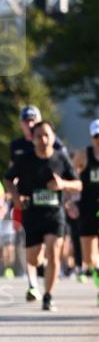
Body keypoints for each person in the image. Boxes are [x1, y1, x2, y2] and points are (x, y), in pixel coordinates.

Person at [7, 120, 81, 311]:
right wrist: (16, 198)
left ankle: (48, 296)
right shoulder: (24, 158)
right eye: (39, 136)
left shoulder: (61, 158)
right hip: (31, 214)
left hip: (54, 214)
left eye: (47, 135)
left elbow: (78, 184)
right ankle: (41, 265)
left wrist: (63, 185)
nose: (43, 139)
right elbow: (8, 179)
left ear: (53, 137)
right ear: (33, 139)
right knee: (34, 259)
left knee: (54, 252)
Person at [73, 118, 99, 299]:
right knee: (89, 258)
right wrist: (71, 200)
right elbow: (71, 174)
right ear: (91, 137)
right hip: (88, 206)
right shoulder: (84, 155)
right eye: (96, 136)